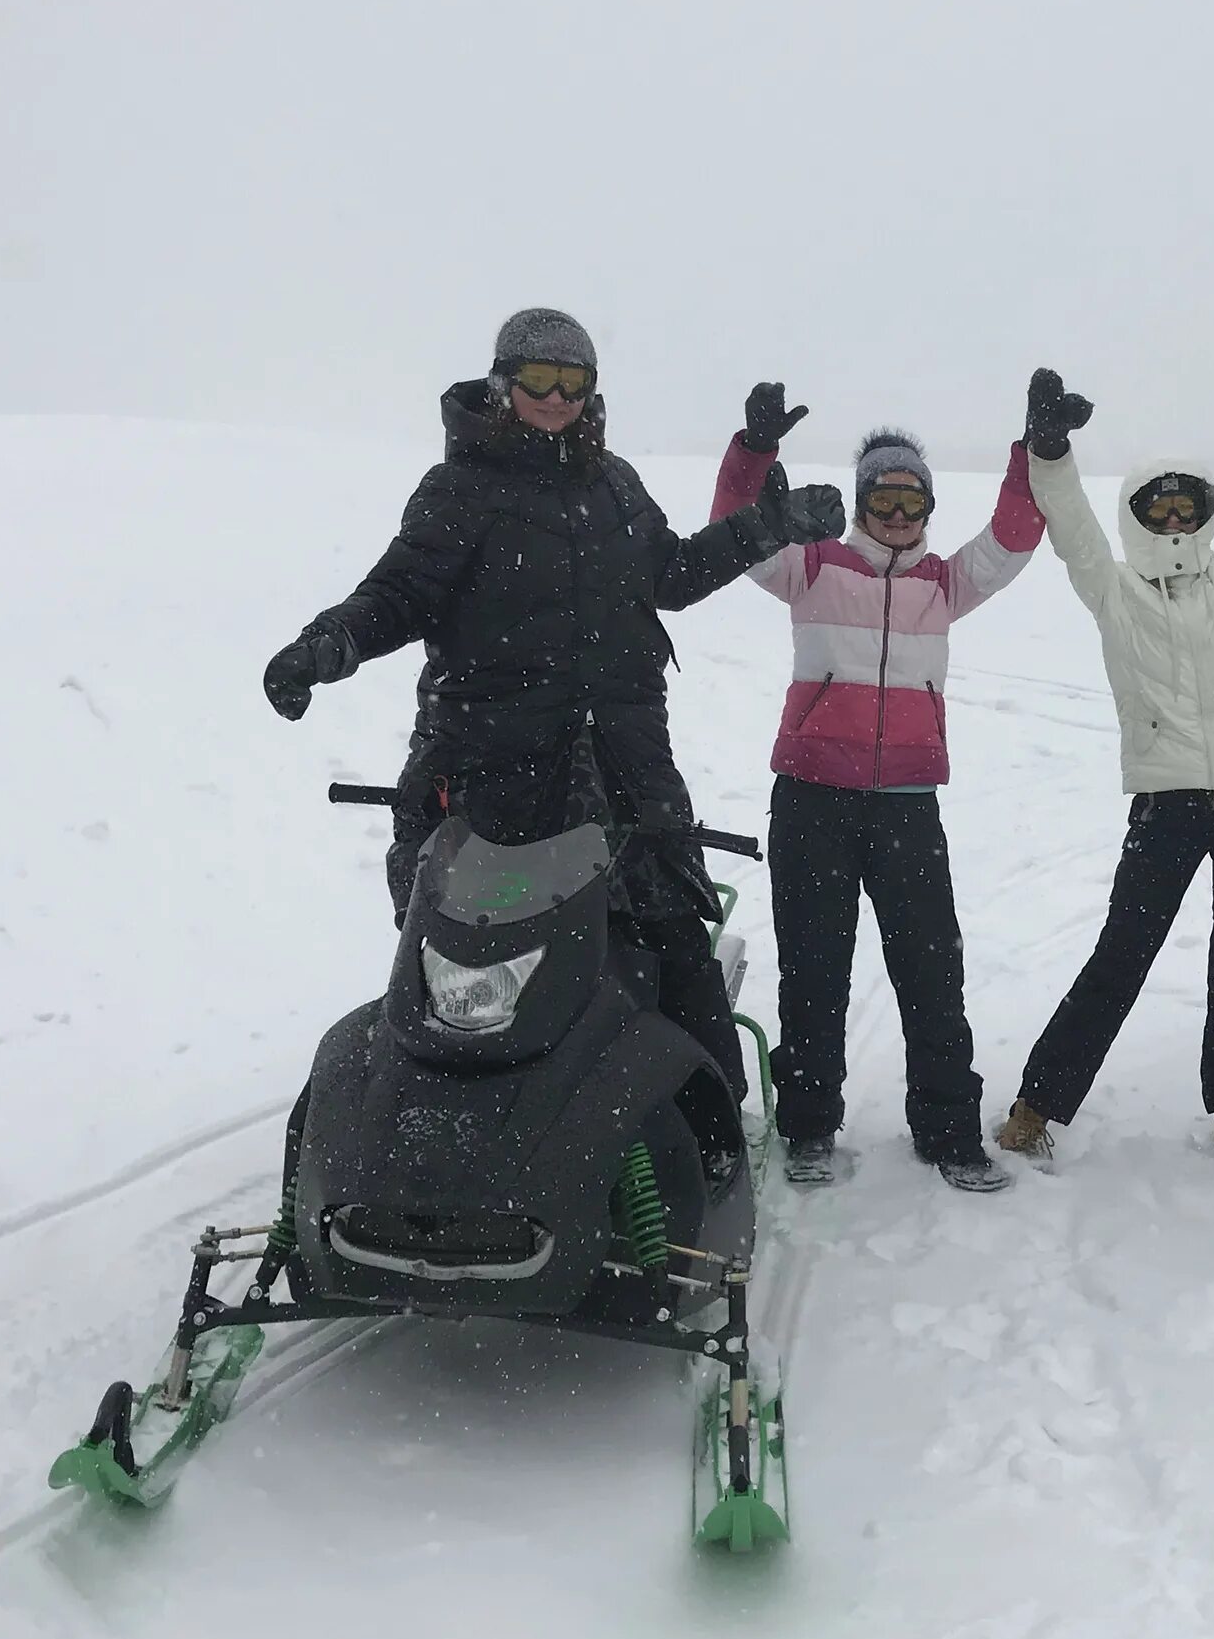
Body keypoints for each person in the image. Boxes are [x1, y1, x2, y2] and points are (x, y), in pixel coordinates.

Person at [260, 307, 844, 1176]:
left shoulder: (614, 485)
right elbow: (397, 595)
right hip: (490, 766)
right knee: (472, 967)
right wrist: (327, 644)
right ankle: (436, 1151)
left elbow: (672, 577)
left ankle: (707, 1141)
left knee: (667, 940)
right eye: (539, 380)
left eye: (574, 384)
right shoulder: (459, 489)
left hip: (626, 765)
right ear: (504, 383)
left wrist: (770, 524)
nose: (557, 399)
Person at [993, 349, 1214, 1167]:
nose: (1176, 520)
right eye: (1160, 508)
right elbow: (1069, 523)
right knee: (1123, 954)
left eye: (1188, 507)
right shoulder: (1113, 589)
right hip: (1168, 802)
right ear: (1139, 516)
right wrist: (1048, 450)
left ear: (1205, 512)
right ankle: (1037, 1106)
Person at [713, 385, 1048, 1193]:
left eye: (913, 499)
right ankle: (807, 1129)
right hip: (811, 801)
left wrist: (1029, 453)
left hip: (905, 804)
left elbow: (1011, 538)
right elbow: (735, 529)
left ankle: (948, 1131)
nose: (898, 513)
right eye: (884, 498)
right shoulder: (813, 565)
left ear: (928, 505)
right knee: (815, 968)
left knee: (933, 969)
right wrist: (753, 453)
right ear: (862, 501)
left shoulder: (943, 583)